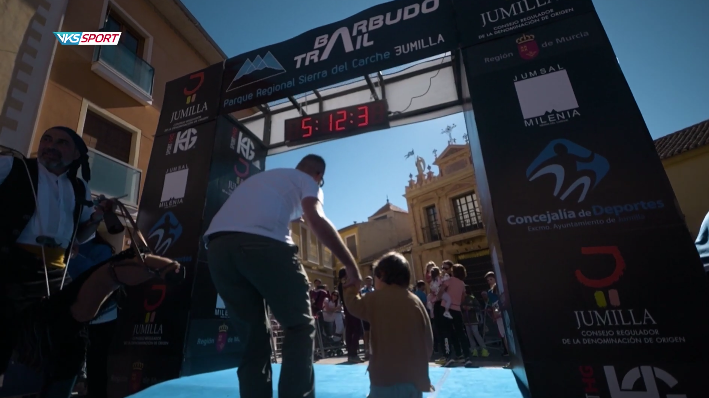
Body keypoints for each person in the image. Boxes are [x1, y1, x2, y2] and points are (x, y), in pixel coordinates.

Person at [0, 126, 181, 398]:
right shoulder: (11, 166)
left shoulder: (78, 186)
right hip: (10, 271)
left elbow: (80, 237)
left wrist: (96, 218)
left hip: (57, 274)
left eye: (61, 142)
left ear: (75, 154)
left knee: (67, 342)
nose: (50, 145)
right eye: (47, 139)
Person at [203, 154, 361, 398]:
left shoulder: (268, 180)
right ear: (318, 175)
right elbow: (315, 217)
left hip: (217, 248)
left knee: (253, 340)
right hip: (262, 243)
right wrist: (351, 266)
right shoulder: (307, 181)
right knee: (299, 326)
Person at [343, 252, 433, 398]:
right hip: (414, 380)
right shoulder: (415, 301)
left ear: (382, 275)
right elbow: (428, 339)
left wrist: (351, 286)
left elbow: (353, 305)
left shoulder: (376, 298)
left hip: (384, 379)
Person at [68, 234, 117, 398]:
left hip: (102, 316)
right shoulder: (67, 246)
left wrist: (75, 257)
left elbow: (97, 278)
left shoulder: (102, 250)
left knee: (97, 362)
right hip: (77, 314)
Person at [338, 268, 364, 363]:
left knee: (350, 330)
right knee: (357, 329)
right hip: (352, 308)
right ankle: (353, 353)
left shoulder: (340, 284)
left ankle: (351, 354)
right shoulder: (347, 283)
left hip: (347, 309)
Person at [360, 276, 374, 360]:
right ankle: (366, 351)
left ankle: (373, 351)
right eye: (367, 281)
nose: (369, 283)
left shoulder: (374, 291)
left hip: (373, 314)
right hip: (365, 314)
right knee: (366, 333)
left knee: (373, 333)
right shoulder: (362, 291)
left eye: (370, 281)